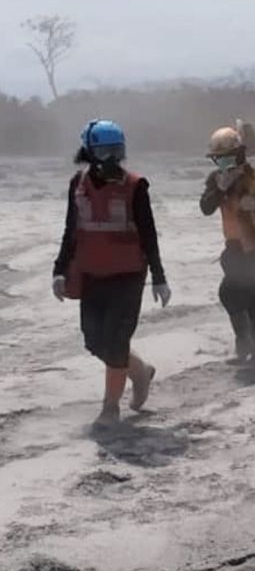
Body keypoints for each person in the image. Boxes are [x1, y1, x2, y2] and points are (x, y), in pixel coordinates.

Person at [52, 120, 171, 429]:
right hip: (92, 274)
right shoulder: (78, 184)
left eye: (117, 152)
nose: (112, 159)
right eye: (105, 152)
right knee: (95, 341)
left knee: (116, 342)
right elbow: (71, 230)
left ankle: (110, 408)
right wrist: (59, 270)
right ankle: (140, 371)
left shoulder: (135, 186)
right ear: (90, 153)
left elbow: (149, 234)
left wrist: (159, 276)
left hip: (128, 276)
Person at [200, 126, 255, 367]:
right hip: (233, 246)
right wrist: (219, 189)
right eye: (219, 159)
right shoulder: (216, 180)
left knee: (235, 292)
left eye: (227, 157)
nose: (223, 163)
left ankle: (253, 347)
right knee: (245, 295)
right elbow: (206, 208)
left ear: (239, 155)